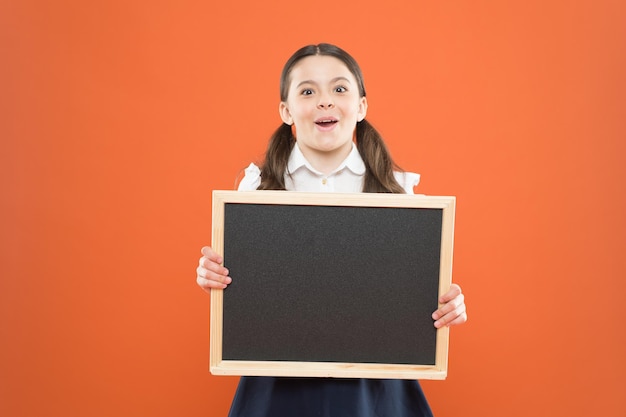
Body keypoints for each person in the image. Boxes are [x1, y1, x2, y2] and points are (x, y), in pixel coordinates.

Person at [196, 43, 468, 417]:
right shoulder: (256, 190)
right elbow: (244, 297)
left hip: (374, 390)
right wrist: (215, 274)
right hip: (277, 385)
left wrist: (445, 304)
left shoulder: (398, 190)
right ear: (286, 110)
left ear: (361, 106)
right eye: (308, 91)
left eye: (339, 89)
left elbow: (412, 294)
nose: (325, 102)